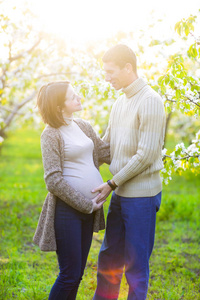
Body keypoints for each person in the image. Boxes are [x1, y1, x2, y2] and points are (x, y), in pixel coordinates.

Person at [92, 44, 166, 300]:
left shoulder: (151, 101)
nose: (106, 78)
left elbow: (146, 155)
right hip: (121, 194)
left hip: (142, 198)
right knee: (109, 258)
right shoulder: (119, 103)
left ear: (128, 68)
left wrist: (111, 183)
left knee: (135, 265)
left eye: (111, 71)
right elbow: (107, 146)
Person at [33, 81, 110, 300]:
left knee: (77, 275)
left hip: (89, 210)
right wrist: (86, 204)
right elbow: (53, 180)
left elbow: (105, 152)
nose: (79, 99)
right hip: (67, 211)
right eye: (72, 97)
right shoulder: (50, 135)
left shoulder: (83, 126)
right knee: (69, 274)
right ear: (59, 106)